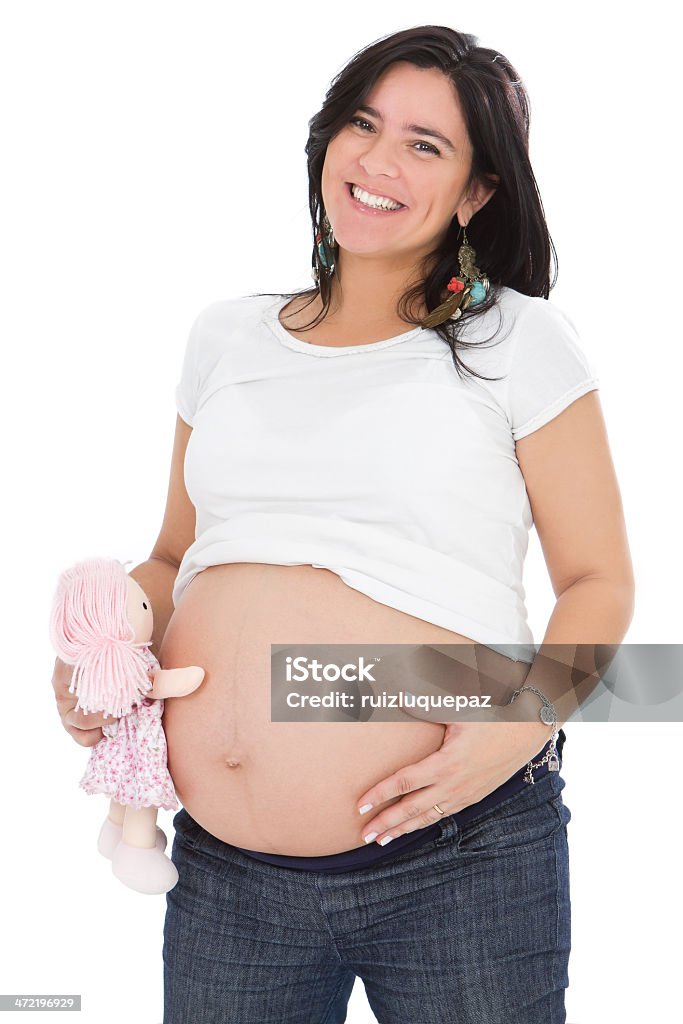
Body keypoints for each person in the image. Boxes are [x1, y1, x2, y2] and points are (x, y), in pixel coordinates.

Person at [52, 25, 635, 1024]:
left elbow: (597, 580)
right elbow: (173, 556)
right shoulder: (224, 335)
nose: (375, 160)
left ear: (477, 191)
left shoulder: (515, 342)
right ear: (323, 142)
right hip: (227, 876)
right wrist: (97, 652)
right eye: (360, 125)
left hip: (458, 850)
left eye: (424, 144)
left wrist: (523, 725)